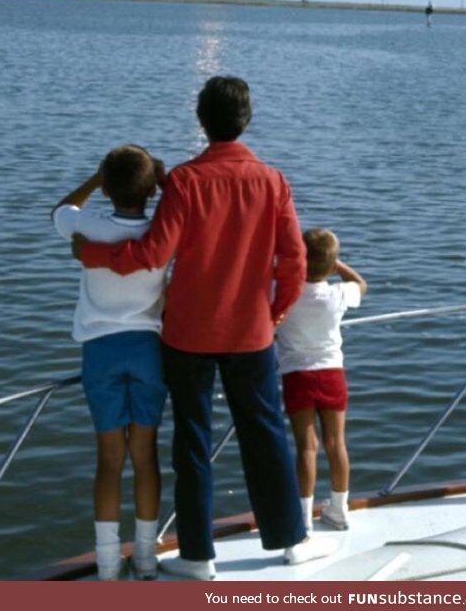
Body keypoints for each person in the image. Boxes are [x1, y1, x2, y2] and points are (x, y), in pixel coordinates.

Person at [73, 76, 338, 580]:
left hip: (188, 336)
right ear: (247, 119)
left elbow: (152, 254)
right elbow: (295, 262)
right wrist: (275, 313)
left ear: (202, 120)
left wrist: (91, 252)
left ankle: (197, 556)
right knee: (266, 437)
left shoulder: (185, 182)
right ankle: (290, 541)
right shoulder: (273, 181)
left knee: (192, 441)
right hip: (251, 334)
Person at [51, 145, 168, 581]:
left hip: (100, 351)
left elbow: (60, 210)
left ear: (107, 186)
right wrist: (161, 183)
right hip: (148, 351)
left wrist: (94, 180)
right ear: (150, 189)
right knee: (146, 457)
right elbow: (188, 214)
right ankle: (145, 559)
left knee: (108, 460)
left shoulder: (88, 225)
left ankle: (105, 565)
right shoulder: (162, 229)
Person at [275, 228, 367, 534]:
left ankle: (302, 518)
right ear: (330, 265)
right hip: (331, 373)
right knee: (336, 442)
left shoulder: (285, 292)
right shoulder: (337, 293)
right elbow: (361, 285)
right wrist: (336, 265)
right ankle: (339, 510)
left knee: (306, 447)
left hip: (296, 374)